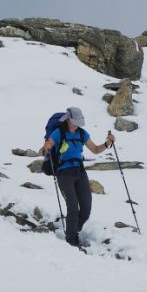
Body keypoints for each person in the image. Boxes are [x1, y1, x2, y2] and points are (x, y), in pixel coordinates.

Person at [41, 106, 114, 247]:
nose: (78, 124)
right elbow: (46, 147)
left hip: (80, 172)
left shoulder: (82, 134)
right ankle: (71, 240)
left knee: (86, 208)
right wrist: (47, 147)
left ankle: (73, 229)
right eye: (75, 121)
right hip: (64, 173)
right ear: (68, 119)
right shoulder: (58, 133)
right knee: (73, 206)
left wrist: (107, 144)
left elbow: (95, 149)